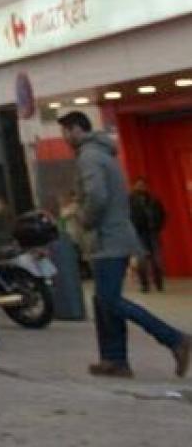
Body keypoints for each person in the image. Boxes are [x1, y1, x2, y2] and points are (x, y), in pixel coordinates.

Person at [59, 111, 190, 378]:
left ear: (75, 130)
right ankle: (114, 359)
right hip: (114, 235)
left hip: (108, 237)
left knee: (109, 300)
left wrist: (83, 218)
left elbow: (96, 196)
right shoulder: (103, 153)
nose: (64, 138)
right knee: (103, 301)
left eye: (65, 132)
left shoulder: (89, 157)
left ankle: (174, 338)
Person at [130, 178, 168, 293]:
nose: (141, 187)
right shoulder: (129, 201)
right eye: (139, 185)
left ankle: (159, 283)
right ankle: (144, 284)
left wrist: (158, 226)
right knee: (142, 260)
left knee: (157, 259)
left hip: (153, 232)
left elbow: (162, 214)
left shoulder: (153, 200)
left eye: (143, 185)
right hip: (139, 233)